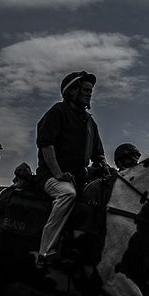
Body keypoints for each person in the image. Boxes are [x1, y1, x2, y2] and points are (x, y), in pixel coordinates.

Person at [36, 71, 105, 266]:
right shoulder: (57, 112)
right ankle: (46, 252)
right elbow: (46, 145)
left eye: (91, 91)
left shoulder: (90, 122)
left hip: (78, 177)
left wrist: (104, 164)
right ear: (71, 91)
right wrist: (58, 173)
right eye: (85, 90)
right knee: (67, 194)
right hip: (51, 176)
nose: (89, 94)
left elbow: (98, 153)